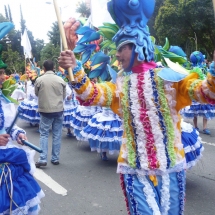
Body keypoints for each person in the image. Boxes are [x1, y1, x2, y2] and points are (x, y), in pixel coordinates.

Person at [58, 1, 215, 214]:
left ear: (138, 45)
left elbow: (206, 93)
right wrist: (74, 67)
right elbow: (90, 94)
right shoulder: (120, 83)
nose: (117, 55)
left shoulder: (170, 78)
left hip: (171, 169)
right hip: (136, 170)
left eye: (121, 48)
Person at [0, 52, 44, 214]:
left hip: (9, 160)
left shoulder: (2, 99)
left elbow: (8, 125)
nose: (3, 77)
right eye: (0, 73)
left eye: (3, 73)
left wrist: (17, 133)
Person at [34, 60, 66, 167]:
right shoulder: (61, 80)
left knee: (44, 134)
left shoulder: (39, 80)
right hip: (59, 110)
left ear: (43, 68)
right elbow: (64, 96)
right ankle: (55, 158)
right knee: (57, 135)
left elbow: (36, 93)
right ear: (54, 67)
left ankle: (43, 158)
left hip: (45, 111)